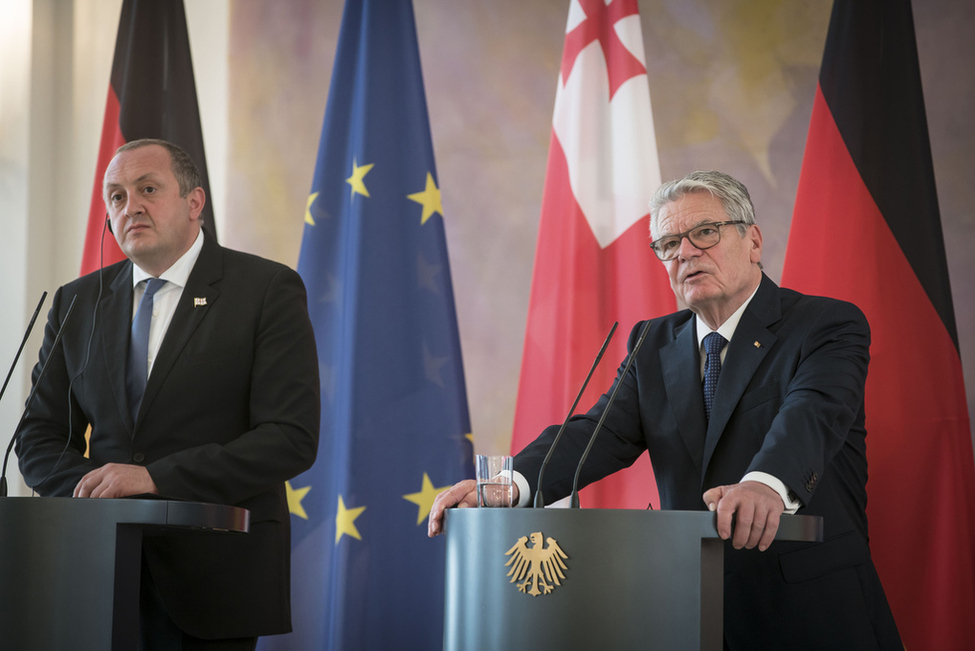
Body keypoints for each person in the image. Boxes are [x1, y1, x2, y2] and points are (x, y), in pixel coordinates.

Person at [429, 171, 902, 649]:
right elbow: (596, 432)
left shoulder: (826, 325)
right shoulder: (652, 343)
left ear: (753, 241)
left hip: (811, 612)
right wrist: (504, 487)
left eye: (705, 232)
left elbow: (811, 413)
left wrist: (765, 485)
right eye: (669, 242)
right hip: (688, 610)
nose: (686, 252)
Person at [15, 139, 320, 650]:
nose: (128, 206)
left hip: (212, 576)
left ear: (194, 202)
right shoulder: (77, 301)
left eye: (147, 189)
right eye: (115, 196)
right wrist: (96, 491)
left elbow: (289, 438)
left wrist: (154, 479)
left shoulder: (265, 289)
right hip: (93, 573)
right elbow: (38, 437)